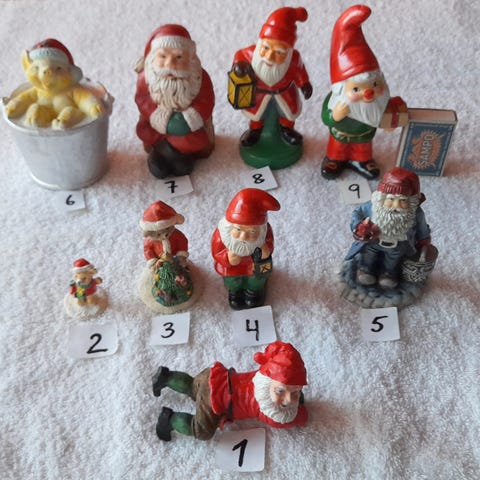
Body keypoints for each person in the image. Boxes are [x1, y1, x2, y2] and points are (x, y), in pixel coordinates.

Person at [152, 341, 308, 441]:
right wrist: (301, 414)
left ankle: (167, 377)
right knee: (202, 431)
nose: (288, 399)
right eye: (280, 391)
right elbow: (292, 418)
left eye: (295, 392)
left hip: (213, 376)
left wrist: (293, 399)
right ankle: (169, 419)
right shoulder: (266, 410)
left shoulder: (261, 374)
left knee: (194, 386)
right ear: (268, 382)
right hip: (215, 401)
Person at [321, 5, 405, 180]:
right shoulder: (335, 101)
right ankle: (334, 160)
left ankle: (362, 161)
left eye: (374, 85)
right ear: (341, 89)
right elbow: (326, 118)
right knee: (337, 148)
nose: (368, 93)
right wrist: (334, 115)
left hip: (364, 135)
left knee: (363, 149)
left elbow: (385, 114)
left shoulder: (379, 102)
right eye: (356, 89)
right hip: (340, 134)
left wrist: (388, 122)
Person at [135, 24, 215, 178]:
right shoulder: (146, 78)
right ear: (153, 57)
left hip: (188, 130)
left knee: (190, 151)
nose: (170, 64)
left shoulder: (198, 77)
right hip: (156, 128)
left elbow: (206, 100)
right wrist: (156, 116)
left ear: (190, 58)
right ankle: (167, 152)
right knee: (147, 134)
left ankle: (171, 153)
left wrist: (189, 117)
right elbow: (142, 99)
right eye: (163, 57)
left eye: (178, 57)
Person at [230, 7, 312, 149]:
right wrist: (239, 65)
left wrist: (304, 84)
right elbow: (240, 55)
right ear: (260, 42)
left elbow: (300, 72)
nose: (269, 57)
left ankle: (287, 130)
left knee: (287, 113)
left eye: (279, 52)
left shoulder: (294, 59)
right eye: (266, 48)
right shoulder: (250, 54)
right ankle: (255, 131)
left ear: (288, 52)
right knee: (257, 114)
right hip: (259, 93)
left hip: (284, 92)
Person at [346, 167, 431, 288]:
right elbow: (357, 213)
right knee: (368, 255)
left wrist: (423, 240)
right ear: (382, 198)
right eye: (391, 199)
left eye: (402, 201)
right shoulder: (372, 206)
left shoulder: (415, 213)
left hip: (398, 244)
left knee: (393, 260)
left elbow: (422, 227)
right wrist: (359, 225)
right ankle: (365, 270)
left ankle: (388, 274)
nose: (396, 206)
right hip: (373, 241)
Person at [211, 188, 280, 309]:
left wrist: (266, 250)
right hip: (232, 268)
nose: (243, 237)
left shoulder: (265, 233)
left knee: (256, 280)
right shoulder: (222, 236)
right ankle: (235, 293)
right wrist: (227, 258)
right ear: (229, 227)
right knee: (232, 281)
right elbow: (216, 252)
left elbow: (269, 244)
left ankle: (253, 293)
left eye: (252, 231)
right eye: (238, 230)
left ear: (260, 230)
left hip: (254, 265)